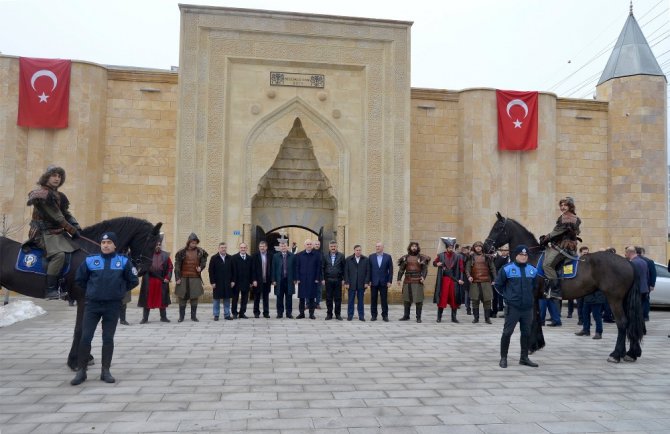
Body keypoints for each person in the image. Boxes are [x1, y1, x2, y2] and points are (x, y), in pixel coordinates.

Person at [70, 232, 139, 385]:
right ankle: (81, 371)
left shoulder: (123, 261)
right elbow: (80, 279)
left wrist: (120, 291)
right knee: (85, 337)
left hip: (112, 306)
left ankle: (105, 371)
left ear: (115, 245)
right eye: (103, 242)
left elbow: (133, 280)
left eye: (109, 242)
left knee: (108, 339)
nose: (106, 245)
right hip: (92, 305)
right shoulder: (90, 260)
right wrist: (91, 291)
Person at [26, 165, 81, 300]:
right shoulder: (41, 195)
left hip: (57, 233)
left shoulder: (59, 195)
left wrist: (77, 226)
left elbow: (66, 213)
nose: (57, 178)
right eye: (54, 175)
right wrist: (71, 230)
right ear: (47, 177)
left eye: (59, 176)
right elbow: (57, 216)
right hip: (41, 233)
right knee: (59, 255)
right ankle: (50, 290)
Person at [495, 244, 539, 368]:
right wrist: (508, 296)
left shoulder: (532, 270)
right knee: (507, 332)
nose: (523, 257)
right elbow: (498, 285)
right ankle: (503, 358)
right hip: (513, 307)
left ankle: (524, 358)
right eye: (521, 254)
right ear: (516, 255)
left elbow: (535, 287)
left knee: (526, 333)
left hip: (527, 308)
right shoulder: (507, 268)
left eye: (525, 255)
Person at [540, 197, 582, 299]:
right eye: (561, 205)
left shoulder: (567, 217)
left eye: (565, 205)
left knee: (546, 265)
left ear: (570, 206)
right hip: (562, 244)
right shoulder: (571, 217)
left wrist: (546, 238)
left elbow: (557, 232)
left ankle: (555, 290)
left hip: (565, 246)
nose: (563, 207)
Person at [174, 233, 208, 322]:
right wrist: (177, 278)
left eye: (195, 243)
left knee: (194, 297)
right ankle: (181, 317)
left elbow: (204, 261)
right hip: (183, 277)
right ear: (189, 242)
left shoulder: (201, 252)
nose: (194, 244)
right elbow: (177, 266)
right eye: (192, 242)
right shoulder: (181, 252)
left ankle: (193, 316)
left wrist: (201, 267)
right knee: (182, 297)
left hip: (195, 277)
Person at [138, 239, 173, 324]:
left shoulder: (165, 256)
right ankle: (145, 318)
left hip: (161, 281)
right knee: (147, 300)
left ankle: (163, 317)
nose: (157, 246)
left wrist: (167, 278)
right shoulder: (146, 256)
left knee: (162, 299)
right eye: (156, 244)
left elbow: (170, 267)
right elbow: (141, 267)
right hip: (149, 281)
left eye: (159, 244)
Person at [397, 241, 430, 323]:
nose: (414, 248)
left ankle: (418, 317)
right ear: (410, 247)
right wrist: (399, 279)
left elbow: (424, 269)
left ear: (417, 248)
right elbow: (401, 270)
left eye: (415, 246)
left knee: (418, 300)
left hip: (417, 280)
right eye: (412, 246)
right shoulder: (405, 258)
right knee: (406, 299)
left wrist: (423, 277)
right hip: (407, 280)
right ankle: (406, 316)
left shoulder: (422, 258)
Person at [433, 237, 464, 323]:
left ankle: (453, 318)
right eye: (449, 247)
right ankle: (439, 317)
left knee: (454, 298)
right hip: (444, 280)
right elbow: (434, 263)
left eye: (452, 247)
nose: (451, 248)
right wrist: (437, 263)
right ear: (446, 247)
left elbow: (461, 268)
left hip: (454, 281)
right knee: (442, 298)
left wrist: (460, 279)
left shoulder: (458, 256)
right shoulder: (441, 255)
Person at [465, 241, 496, 324]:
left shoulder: (487, 257)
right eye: (476, 246)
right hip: (475, 282)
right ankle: (476, 318)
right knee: (475, 301)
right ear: (474, 248)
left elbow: (493, 269)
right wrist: (469, 276)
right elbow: (467, 269)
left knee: (487, 301)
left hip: (486, 281)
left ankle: (487, 318)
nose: (478, 248)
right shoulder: (471, 257)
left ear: (482, 247)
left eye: (480, 246)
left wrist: (495, 279)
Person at [295, 239, 323, 319]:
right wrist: (297, 278)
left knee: (311, 297)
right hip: (302, 279)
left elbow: (319, 267)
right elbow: (297, 267)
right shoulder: (299, 255)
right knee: (302, 298)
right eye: (307, 244)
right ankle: (301, 313)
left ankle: (311, 314)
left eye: (310, 244)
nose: (309, 245)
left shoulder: (317, 255)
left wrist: (317, 278)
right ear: (304, 245)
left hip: (313, 279)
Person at [625, 245, 649, 340]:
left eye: (626, 253)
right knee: (640, 310)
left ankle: (640, 329)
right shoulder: (643, 261)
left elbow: (633, 278)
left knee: (636, 311)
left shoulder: (633, 263)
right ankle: (643, 329)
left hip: (637, 290)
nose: (625, 254)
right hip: (644, 289)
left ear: (630, 253)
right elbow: (646, 276)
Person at [208, 242, 234, 320]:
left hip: (227, 282)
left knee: (227, 299)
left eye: (225, 247)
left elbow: (233, 270)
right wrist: (212, 282)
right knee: (216, 299)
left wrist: (233, 281)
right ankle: (216, 315)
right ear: (219, 248)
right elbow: (211, 271)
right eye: (222, 247)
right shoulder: (214, 258)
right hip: (217, 282)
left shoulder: (230, 258)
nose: (223, 249)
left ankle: (227, 315)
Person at [344, 245, 370, 321]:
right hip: (351, 283)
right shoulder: (349, 259)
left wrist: (366, 282)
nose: (358, 251)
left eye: (359, 250)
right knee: (351, 300)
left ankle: (361, 316)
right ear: (354, 251)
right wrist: (347, 282)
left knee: (361, 301)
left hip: (361, 283)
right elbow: (346, 272)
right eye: (357, 250)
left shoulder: (365, 259)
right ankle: (350, 315)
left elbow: (368, 272)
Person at [368, 242, 393, 322]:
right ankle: (374, 315)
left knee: (384, 300)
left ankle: (385, 315)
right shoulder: (371, 257)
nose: (377, 248)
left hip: (384, 282)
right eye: (376, 246)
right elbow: (369, 270)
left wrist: (389, 281)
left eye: (379, 246)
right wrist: (369, 280)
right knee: (373, 299)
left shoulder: (388, 257)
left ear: (382, 247)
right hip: (374, 282)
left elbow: (391, 270)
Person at [322, 240, 345, 321]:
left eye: (334, 246)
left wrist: (343, 279)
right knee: (328, 298)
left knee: (338, 298)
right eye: (331, 246)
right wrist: (323, 279)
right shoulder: (325, 256)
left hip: (338, 280)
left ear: (337, 247)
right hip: (328, 280)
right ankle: (329, 314)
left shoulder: (341, 256)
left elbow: (344, 268)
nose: (333, 248)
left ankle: (338, 314)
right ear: (329, 247)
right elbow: (323, 268)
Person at [272, 240, 296, 318]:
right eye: (282, 246)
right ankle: (280, 313)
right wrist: (273, 280)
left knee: (289, 297)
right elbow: (273, 269)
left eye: (285, 246)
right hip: (279, 280)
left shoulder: (292, 256)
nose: (283, 247)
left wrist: (295, 278)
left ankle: (289, 313)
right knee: (279, 297)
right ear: (280, 247)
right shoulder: (275, 256)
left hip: (289, 280)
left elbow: (295, 268)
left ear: (287, 247)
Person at [251, 241, 273, 318]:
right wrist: (254, 280)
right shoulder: (254, 256)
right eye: (260, 246)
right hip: (257, 280)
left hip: (267, 280)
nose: (262, 248)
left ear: (266, 247)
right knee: (256, 297)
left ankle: (266, 313)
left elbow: (272, 268)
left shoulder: (270, 255)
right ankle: (256, 312)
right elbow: (252, 269)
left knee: (265, 297)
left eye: (263, 246)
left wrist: (272, 279)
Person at [231, 242, 253, 319]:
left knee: (245, 299)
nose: (243, 249)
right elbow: (231, 270)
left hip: (246, 282)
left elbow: (252, 271)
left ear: (246, 248)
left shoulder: (250, 258)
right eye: (241, 247)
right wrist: (232, 281)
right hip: (236, 282)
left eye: (244, 248)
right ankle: (234, 313)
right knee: (235, 298)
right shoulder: (233, 258)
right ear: (239, 248)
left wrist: (251, 281)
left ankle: (242, 313)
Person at [636, 246, 656, 322]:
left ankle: (639, 315)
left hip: (636, 285)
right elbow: (653, 274)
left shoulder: (633, 260)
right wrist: (652, 285)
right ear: (642, 252)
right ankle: (645, 316)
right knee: (646, 300)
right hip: (646, 285)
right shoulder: (649, 261)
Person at [492, 246, 510, 318]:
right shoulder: (496, 258)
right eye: (502, 250)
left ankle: (506, 312)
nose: (504, 251)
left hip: (507, 280)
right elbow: (494, 269)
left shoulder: (510, 259)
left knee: (506, 297)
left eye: (505, 250)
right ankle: (494, 312)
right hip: (497, 279)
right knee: (494, 297)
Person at [313, 240, 323, 309]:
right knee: (310, 289)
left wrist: (323, 277)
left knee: (319, 290)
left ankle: (317, 303)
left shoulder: (322, 253)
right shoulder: (311, 252)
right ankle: (308, 303)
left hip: (319, 275)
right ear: (314, 245)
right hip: (311, 275)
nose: (317, 245)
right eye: (316, 244)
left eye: (318, 244)